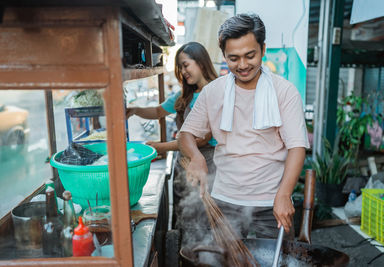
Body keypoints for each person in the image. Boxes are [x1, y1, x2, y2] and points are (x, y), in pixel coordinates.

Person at [178, 14, 309, 240]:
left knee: (280, 261)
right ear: (224, 56)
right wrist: (196, 158)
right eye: (234, 58)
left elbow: (297, 146)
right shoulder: (213, 92)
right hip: (225, 200)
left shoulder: (285, 92)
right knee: (225, 262)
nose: (243, 65)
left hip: (273, 201)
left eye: (250, 56)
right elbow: (185, 135)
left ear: (263, 49)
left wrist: (285, 193)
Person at [126, 42, 218, 227]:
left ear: (201, 62)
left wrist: (162, 147)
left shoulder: (215, 93)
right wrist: (135, 110)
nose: (183, 72)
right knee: (183, 214)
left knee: (201, 217)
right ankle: (182, 254)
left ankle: (199, 255)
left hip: (206, 163)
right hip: (182, 164)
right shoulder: (184, 94)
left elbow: (200, 139)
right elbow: (159, 111)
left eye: (186, 65)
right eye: (180, 67)